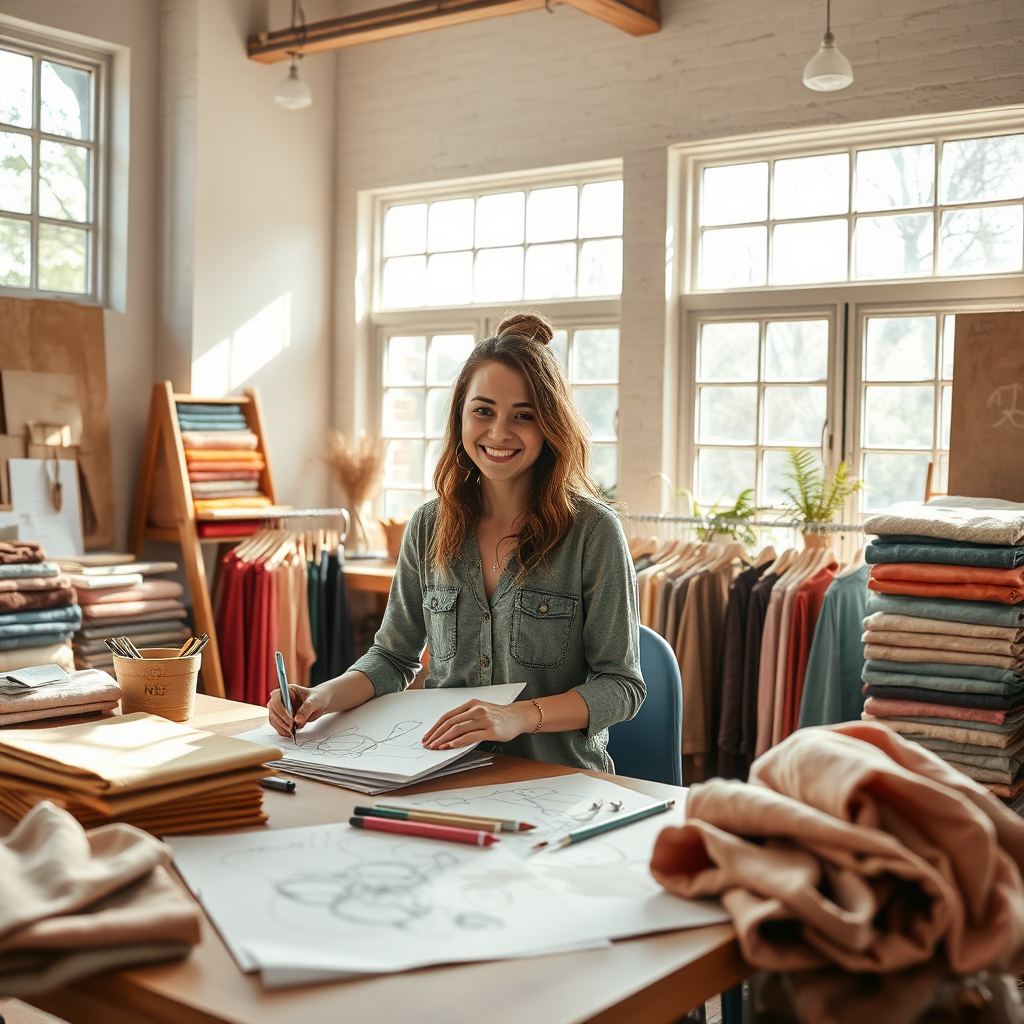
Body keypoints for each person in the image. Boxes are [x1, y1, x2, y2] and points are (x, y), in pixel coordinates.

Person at [268, 311, 644, 771]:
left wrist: (517, 717)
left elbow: (622, 686)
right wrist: (322, 695)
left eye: (523, 416)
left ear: (549, 425)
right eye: (483, 411)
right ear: (460, 416)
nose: (499, 433)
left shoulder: (593, 532)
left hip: (558, 781)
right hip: (440, 774)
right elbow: (392, 657)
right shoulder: (427, 526)